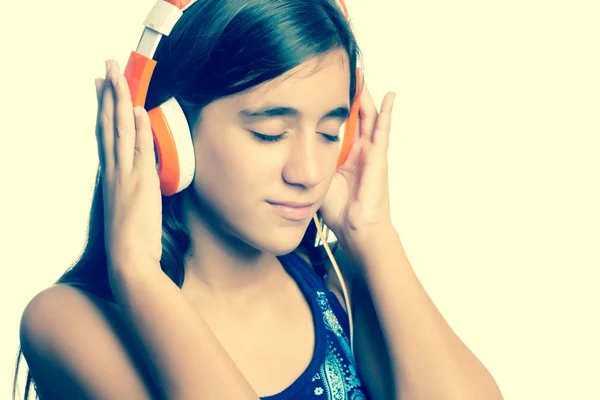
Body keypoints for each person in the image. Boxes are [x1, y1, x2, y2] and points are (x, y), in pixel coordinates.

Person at [13, 0, 504, 399]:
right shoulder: (70, 322)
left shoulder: (340, 290)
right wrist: (139, 275)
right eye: (270, 133)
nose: (309, 172)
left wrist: (371, 234)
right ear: (171, 137)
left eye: (331, 132)